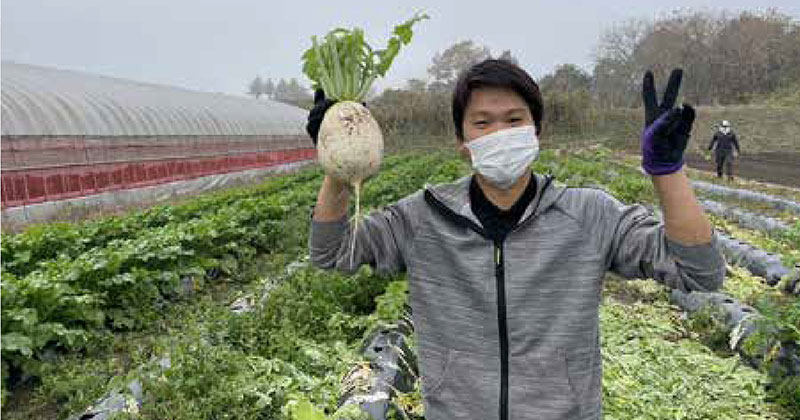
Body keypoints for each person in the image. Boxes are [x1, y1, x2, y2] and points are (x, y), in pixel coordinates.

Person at [307, 60, 725, 420]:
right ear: (463, 143)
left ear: (536, 131)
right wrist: (339, 161)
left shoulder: (589, 215)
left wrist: (667, 170)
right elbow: (331, 252)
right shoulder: (422, 218)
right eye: (483, 123)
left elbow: (699, 272)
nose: (500, 133)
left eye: (513, 120)